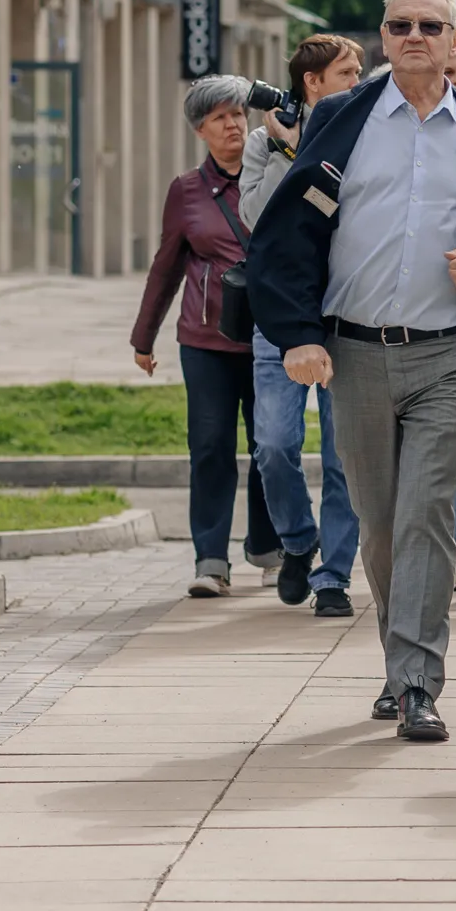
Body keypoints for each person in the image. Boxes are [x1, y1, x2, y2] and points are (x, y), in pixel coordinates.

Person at [248, 0, 456, 744]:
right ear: (382, 36)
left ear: (455, 40)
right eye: (400, 24)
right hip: (355, 353)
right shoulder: (338, 119)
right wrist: (299, 334)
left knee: (424, 517)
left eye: (431, 26)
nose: (415, 36)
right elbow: (288, 237)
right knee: (379, 524)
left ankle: (416, 683)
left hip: (449, 353)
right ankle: (396, 664)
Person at [243, 32, 365, 616]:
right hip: (281, 315)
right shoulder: (262, 143)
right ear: (311, 83)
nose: (358, 82)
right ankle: (297, 542)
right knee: (273, 444)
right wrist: (289, 152)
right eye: (346, 73)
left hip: (346, 312)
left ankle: (334, 575)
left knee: (346, 458)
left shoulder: (365, 134)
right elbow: (258, 218)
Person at [131, 75, 263, 599]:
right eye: (220, 118)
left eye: (238, 114)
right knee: (209, 446)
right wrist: (145, 338)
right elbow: (166, 266)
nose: (233, 125)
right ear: (200, 130)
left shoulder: (272, 172)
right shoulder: (186, 190)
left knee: (271, 446)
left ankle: (268, 545)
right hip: (205, 340)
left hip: (268, 338)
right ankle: (211, 560)